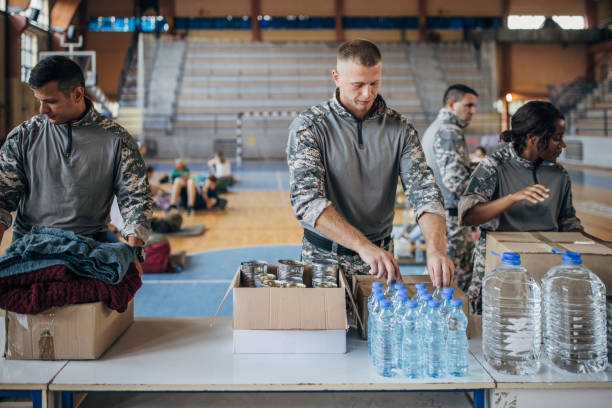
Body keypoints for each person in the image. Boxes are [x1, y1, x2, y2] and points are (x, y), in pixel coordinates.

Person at [287, 39, 454, 286]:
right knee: (327, 325)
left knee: (378, 324)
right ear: (337, 77)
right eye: (358, 85)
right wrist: (362, 246)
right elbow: (307, 200)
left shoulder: (401, 128)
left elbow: (425, 192)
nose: (368, 93)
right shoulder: (309, 127)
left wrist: (436, 248)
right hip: (323, 259)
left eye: (374, 83)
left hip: (381, 259)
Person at [0, 56, 152, 270]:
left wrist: (135, 252)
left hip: (90, 248)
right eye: (39, 100)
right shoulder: (23, 136)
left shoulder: (117, 140)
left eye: (50, 101)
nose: (42, 110)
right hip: (29, 246)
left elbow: (136, 199)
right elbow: (1, 199)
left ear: (78, 94)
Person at [459, 101, 583, 314]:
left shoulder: (559, 174)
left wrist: (597, 246)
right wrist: (513, 198)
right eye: (556, 138)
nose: (562, 145)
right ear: (532, 138)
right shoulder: (495, 166)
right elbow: (469, 216)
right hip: (500, 268)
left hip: (544, 267)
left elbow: (567, 222)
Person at [421, 84, 478, 292]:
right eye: (469, 105)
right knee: (454, 287)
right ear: (452, 104)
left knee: (442, 282)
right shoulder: (449, 131)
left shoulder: (435, 127)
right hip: (452, 221)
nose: (473, 111)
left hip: (441, 217)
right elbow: (455, 182)